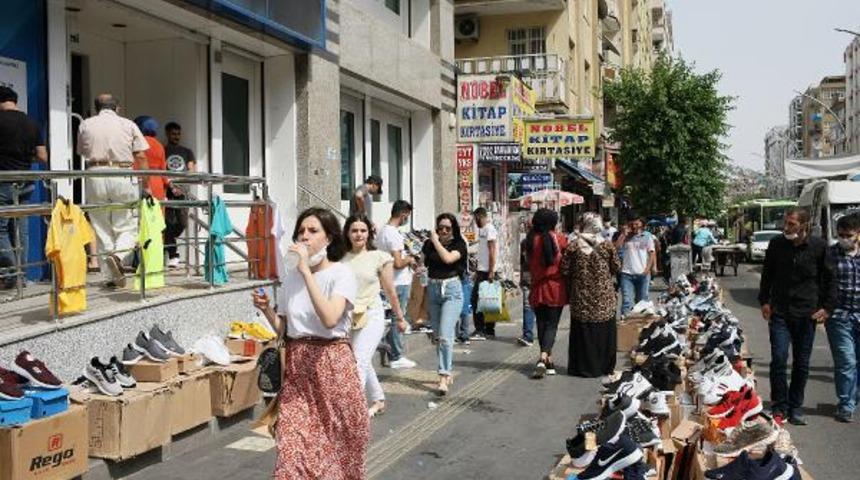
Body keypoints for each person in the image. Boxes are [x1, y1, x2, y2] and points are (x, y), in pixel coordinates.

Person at [251, 207, 368, 479]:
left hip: (333, 367)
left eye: (313, 231)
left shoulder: (341, 274)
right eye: (301, 231)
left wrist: (306, 272)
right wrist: (267, 309)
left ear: (329, 239)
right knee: (291, 454)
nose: (305, 237)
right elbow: (285, 330)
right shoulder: (291, 279)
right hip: (298, 371)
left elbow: (329, 318)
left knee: (337, 453)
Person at [759, 206, 835, 426]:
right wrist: (764, 301)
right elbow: (767, 275)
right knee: (779, 359)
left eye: (791, 224)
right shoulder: (776, 245)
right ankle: (780, 406)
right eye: (786, 222)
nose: (786, 227)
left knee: (801, 363)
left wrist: (827, 308)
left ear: (804, 225)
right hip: (780, 311)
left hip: (807, 314)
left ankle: (796, 406)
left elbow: (830, 279)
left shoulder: (818, 247)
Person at [77, 94, 148, 288]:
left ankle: (110, 277)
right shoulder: (128, 124)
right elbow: (141, 156)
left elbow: (83, 151)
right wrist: (146, 184)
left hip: (94, 173)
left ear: (96, 107)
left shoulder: (86, 124)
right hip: (122, 172)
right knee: (127, 223)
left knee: (101, 226)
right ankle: (118, 256)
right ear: (117, 107)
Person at [343, 214, 407, 418]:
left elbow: (390, 290)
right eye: (354, 230)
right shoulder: (340, 258)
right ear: (347, 233)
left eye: (362, 230)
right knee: (360, 359)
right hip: (350, 317)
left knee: (358, 361)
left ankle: (351, 415)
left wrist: (400, 318)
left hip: (373, 315)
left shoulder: (380, 257)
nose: (358, 234)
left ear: (369, 233)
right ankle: (378, 399)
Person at [561, 213, 620, 377]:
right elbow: (616, 266)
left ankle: (583, 368)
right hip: (604, 297)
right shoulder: (607, 246)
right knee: (603, 331)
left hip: (581, 297)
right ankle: (604, 367)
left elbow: (565, 270)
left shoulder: (573, 246)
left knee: (584, 332)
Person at [0, 86, 47, 289]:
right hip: (26, 182)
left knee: (0, 229)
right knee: (21, 230)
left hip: (2, 182)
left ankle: (13, 274)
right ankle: (21, 276)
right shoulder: (31, 123)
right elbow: (42, 157)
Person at [422, 213, 468, 396]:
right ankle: (446, 368)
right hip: (433, 289)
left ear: (453, 229)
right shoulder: (429, 244)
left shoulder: (459, 244)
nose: (443, 231)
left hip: (452, 290)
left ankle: (443, 376)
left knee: (445, 335)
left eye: (448, 228)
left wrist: (435, 241)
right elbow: (422, 260)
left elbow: (448, 259)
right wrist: (416, 262)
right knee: (437, 336)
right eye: (440, 227)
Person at [374, 200, 418, 369]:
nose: (407, 219)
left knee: (394, 317)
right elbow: (398, 263)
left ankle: (390, 346)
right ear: (403, 214)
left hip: (388, 280)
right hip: (399, 281)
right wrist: (410, 259)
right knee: (398, 318)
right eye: (407, 216)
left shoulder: (383, 232)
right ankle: (397, 355)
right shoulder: (393, 234)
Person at [525, 208, 568, 379]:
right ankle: (543, 357)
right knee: (552, 325)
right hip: (555, 287)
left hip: (536, 287)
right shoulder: (558, 238)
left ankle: (548, 360)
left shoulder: (530, 240)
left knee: (542, 325)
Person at [826, 212, 860, 423]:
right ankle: (846, 404)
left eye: (848, 234)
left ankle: (853, 397)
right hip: (839, 316)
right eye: (840, 234)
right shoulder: (830, 254)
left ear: (858, 234)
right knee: (846, 361)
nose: (844, 238)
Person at [163, 121, 196, 268]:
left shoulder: (187, 151)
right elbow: (161, 170)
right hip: (168, 192)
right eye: (173, 134)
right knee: (168, 224)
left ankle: (168, 242)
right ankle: (173, 254)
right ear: (167, 134)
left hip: (183, 192)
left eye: (178, 134)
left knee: (182, 223)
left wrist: (181, 186)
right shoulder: (163, 150)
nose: (176, 136)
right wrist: (170, 184)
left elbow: (192, 171)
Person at [615, 217, 656, 316]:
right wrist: (624, 234)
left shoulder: (647, 237)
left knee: (642, 302)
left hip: (642, 274)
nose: (634, 227)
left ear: (642, 225)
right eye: (632, 224)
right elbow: (616, 248)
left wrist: (648, 268)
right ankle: (625, 325)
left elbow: (652, 253)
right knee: (627, 301)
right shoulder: (626, 237)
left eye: (637, 224)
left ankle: (640, 325)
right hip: (627, 274)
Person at [470, 207, 498, 340]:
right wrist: (477, 269)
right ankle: (488, 329)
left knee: (478, 300)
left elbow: (492, 251)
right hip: (482, 269)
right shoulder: (482, 230)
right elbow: (483, 252)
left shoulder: (489, 229)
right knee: (485, 300)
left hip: (487, 271)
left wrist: (491, 271)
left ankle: (482, 329)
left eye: (475, 219)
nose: (475, 222)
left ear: (480, 217)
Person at [133, 116, 166, 201]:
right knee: (156, 212)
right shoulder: (159, 145)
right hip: (157, 182)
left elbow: (136, 164)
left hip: (142, 181)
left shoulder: (138, 142)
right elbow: (163, 169)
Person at [517, 221, 536, 347]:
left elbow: (524, 262)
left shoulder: (529, 242)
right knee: (529, 306)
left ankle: (528, 335)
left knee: (529, 306)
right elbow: (522, 262)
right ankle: (528, 335)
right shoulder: (525, 243)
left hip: (532, 278)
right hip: (530, 278)